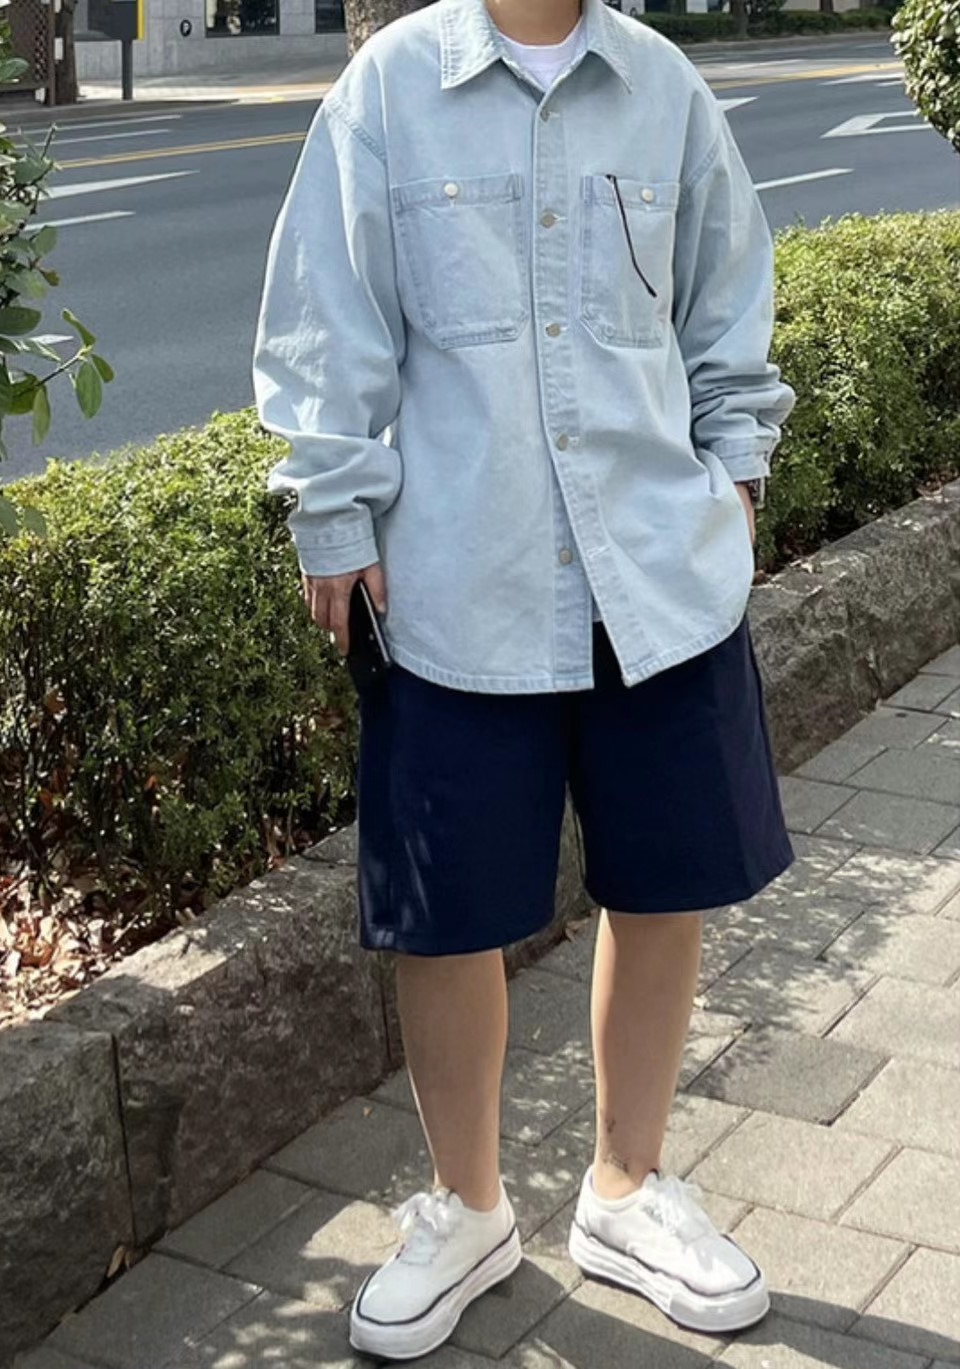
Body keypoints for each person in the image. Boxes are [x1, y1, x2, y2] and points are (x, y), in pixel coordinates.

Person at [253, 0, 796, 1358]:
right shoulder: (389, 90)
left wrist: (736, 474)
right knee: (446, 918)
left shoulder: (664, 88)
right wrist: (332, 509)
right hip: (455, 582)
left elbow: (727, 299)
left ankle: (626, 1187)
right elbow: (327, 313)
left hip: (652, 578)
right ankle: (467, 1207)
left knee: (662, 886)